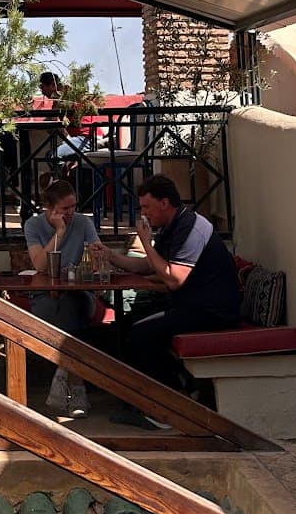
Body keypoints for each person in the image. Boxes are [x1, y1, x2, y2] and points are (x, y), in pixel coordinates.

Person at [93, 172, 240, 429]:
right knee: (125, 325)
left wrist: (146, 243)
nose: (143, 213)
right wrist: (111, 256)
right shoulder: (172, 227)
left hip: (212, 311)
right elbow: (148, 266)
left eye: (147, 207)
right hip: (190, 305)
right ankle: (171, 390)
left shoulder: (191, 228)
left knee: (142, 334)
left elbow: (174, 279)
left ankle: (167, 408)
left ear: (164, 203)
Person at [22, 177, 102, 417]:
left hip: (79, 293)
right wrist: (59, 231)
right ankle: (77, 389)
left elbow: (96, 258)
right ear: (50, 207)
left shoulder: (83, 223)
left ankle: (62, 376)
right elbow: (40, 265)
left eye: (74, 206)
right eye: (65, 208)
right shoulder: (33, 225)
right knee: (60, 309)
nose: (71, 212)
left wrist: (96, 255)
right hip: (45, 295)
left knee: (71, 304)